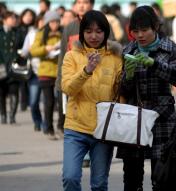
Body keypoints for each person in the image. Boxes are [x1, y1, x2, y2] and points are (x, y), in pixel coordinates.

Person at [116, 5, 176, 191]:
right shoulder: (128, 50)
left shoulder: (169, 48)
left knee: (163, 178)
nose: (140, 35)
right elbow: (123, 90)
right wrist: (127, 77)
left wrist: (155, 65)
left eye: (144, 30)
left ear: (155, 27)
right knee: (132, 179)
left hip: (162, 119)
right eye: (135, 31)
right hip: (134, 120)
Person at [61, 10, 123, 191]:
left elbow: (120, 93)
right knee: (70, 177)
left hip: (104, 131)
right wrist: (87, 70)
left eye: (99, 31)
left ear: (106, 32)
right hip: (76, 128)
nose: (94, 36)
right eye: (88, 31)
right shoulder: (71, 56)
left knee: (99, 184)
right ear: (82, 33)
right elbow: (67, 88)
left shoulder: (116, 58)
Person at [55, 0, 95, 167]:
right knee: (75, 114)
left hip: (95, 80)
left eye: (85, 2)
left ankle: (94, 152)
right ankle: (83, 153)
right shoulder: (70, 27)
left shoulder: (101, 22)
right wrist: (60, 79)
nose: (81, 6)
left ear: (91, 4)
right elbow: (63, 55)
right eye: (78, 2)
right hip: (74, 80)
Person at [30, 10, 62, 140]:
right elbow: (33, 50)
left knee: (60, 102)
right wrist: (46, 49)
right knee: (49, 102)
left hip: (59, 71)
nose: (55, 24)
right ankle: (48, 128)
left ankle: (61, 126)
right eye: (52, 22)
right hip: (45, 72)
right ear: (48, 22)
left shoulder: (61, 33)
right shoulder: (41, 33)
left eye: (57, 22)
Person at [21, 13, 45, 131]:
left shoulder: (53, 35)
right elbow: (24, 52)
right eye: (42, 21)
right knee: (34, 101)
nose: (43, 23)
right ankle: (37, 121)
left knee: (48, 102)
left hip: (49, 73)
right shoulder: (31, 34)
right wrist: (28, 50)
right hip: (35, 72)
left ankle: (47, 123)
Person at [0, 11, 20, 124]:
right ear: (5, 19)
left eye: (14, 18)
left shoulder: (17, 32)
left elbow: (23, 46)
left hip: (14, 66)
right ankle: (3, 115)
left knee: (14, 90)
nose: (14, 20)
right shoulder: (0, 32)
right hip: (1, 66)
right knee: (1, 92)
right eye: (11, 18)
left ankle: (12, 116)